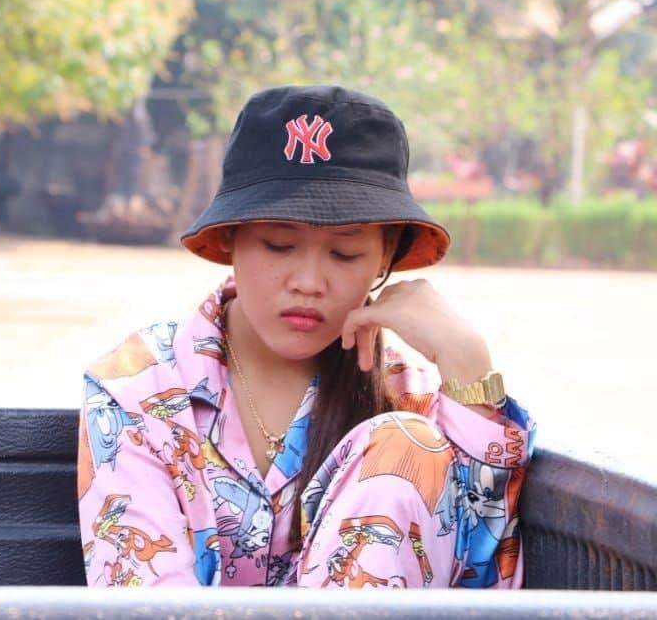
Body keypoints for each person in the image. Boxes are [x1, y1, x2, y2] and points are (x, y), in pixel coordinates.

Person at [77, 85, 534, 589]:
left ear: (385, 256)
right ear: (230, 237)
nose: (309, 282)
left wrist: (468, 363)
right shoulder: (139, 389)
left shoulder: (416, 402)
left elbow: (484, 595)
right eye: (279, 245)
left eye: (344, 254)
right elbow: (139, 603)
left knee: (405, 443)